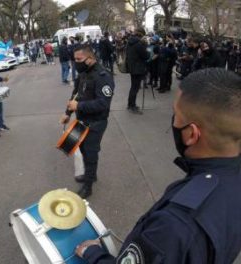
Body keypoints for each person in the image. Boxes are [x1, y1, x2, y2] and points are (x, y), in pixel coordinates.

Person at [75, 68, 241, 263]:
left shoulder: (174, 224)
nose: (173, 122)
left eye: (176, 115)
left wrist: (93, 254)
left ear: (191, 134)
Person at [60, 44, 115, 198]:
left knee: (91, 154)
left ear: (90, 58)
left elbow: (103, 104)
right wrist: (68, 112)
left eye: (79, 59)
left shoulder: (103, 76)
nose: (76, 62)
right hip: (82, 121)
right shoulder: (83, 72)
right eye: (75, 59)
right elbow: (75, 94)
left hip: (96, 123)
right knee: (82, 150)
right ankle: (91, 175)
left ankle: (88, 186)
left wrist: (79, 105)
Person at [125, 27, 149, 114]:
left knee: (133, 87)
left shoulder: (130, 41)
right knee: (135, 88)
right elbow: (146, 56)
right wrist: (146, 47)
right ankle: (132, 106)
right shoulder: (139, 43)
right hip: (138, 68)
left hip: (132, 67)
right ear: (141, 34)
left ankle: (130, 104)